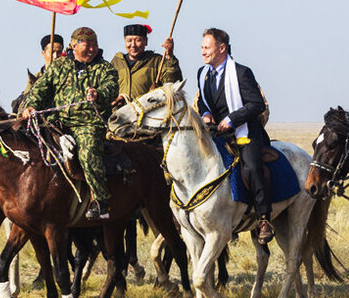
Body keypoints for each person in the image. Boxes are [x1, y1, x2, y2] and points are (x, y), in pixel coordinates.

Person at [21, 27, 118, 220]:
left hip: (88, 124)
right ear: (73, 45)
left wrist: (99, 94)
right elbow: (41, 88)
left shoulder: (105, 68)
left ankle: (100, 201)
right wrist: (30, 106)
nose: (92, 49)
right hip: (58, 122)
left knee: (88, 152)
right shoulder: (59, 66)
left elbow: (112, 87)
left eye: (94, 45)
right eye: (86, 44)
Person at [196, 28, 275, 245]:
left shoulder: (241, 72)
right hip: (216, 134)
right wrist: (206, 114)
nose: (202, 52)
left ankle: (264, 218)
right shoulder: (202, 73)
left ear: (221, 48)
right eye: (201, 47)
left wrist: (231, 119)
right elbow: (203, 100)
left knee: (251, 167)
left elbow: (256, 104)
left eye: (207, 47)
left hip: (244, 132)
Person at [111, 23, 182, 106]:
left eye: (138, 40)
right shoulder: (116, 62)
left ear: (146, 41)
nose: (133, 45)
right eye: (129, 41)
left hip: (146, 114)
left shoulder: (157, 61)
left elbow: (173, 84)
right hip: (121, 114)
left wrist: (170, 56)